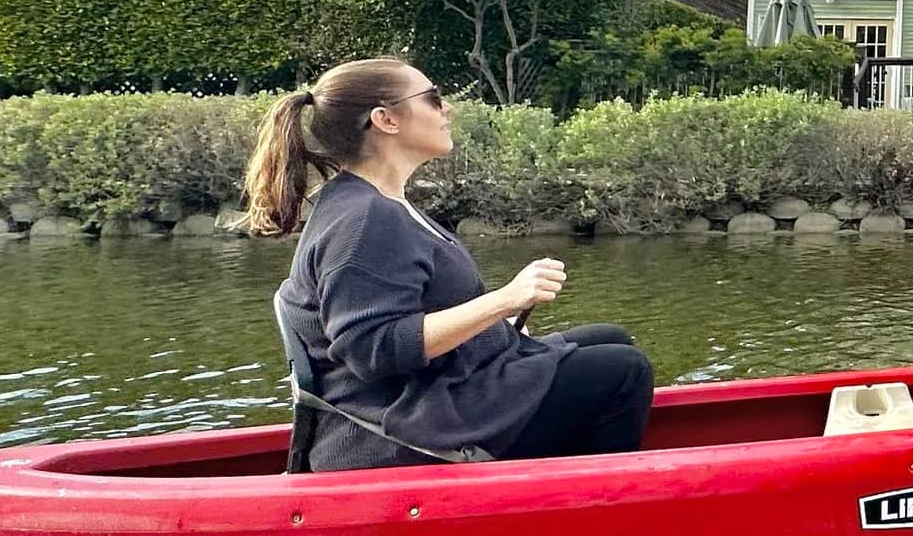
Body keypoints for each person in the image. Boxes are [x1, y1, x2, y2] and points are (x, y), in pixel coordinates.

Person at [241, 56, 654, 470]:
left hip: (435, 389)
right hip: (404, 427)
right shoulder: (365, 219)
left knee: (609, 338)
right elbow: (373, 350)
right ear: (386, 119)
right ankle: (588, 507)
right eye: (432, 99)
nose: (447, 108)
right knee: (622, 371)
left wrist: (495, 326)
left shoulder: (378, 202)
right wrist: (505, 300)